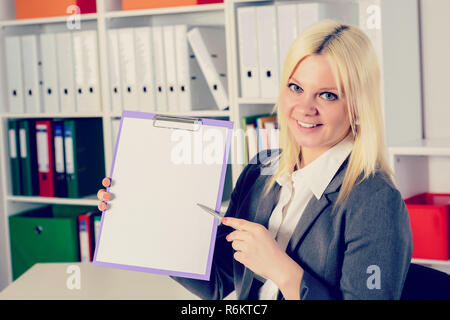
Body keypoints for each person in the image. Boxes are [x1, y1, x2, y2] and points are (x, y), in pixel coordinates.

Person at [97, 20, 413, 300]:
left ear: (357, 106)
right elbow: (221, 281)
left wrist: (284, 272)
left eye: (327, 95)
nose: (305, 108)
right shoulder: (262, 170)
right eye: (296, 88)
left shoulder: (375, 200)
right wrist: (140, 219)